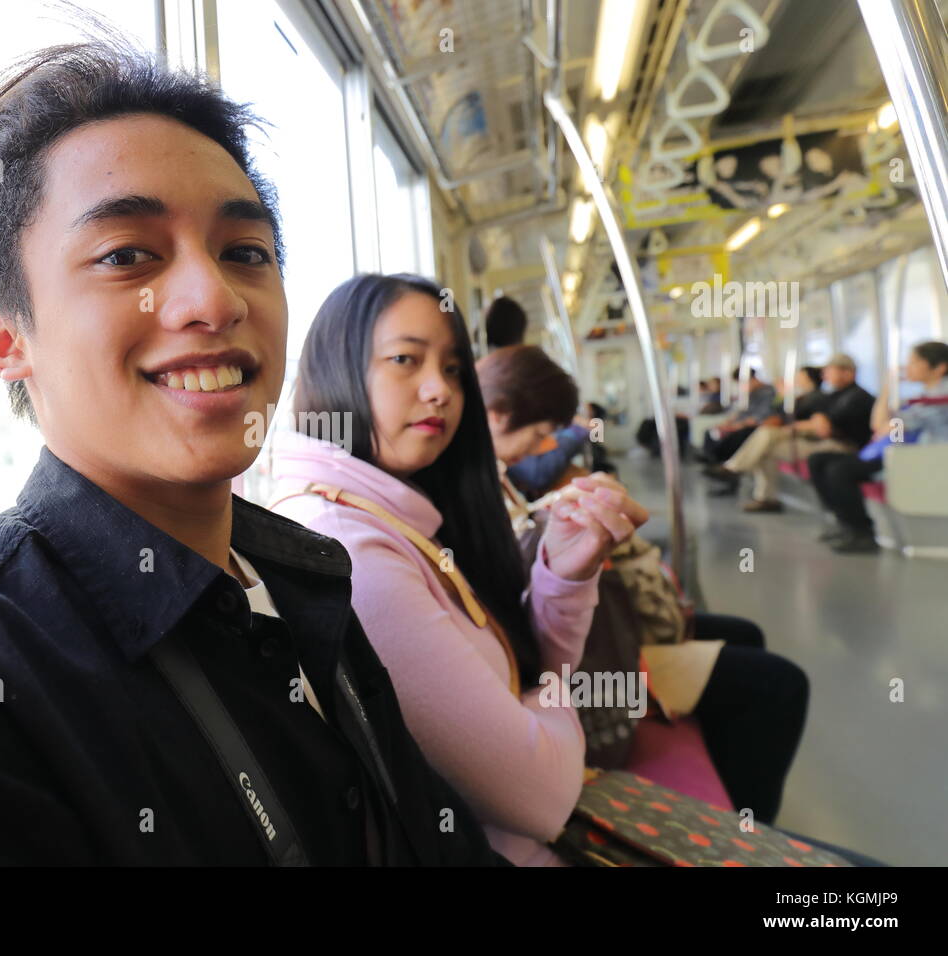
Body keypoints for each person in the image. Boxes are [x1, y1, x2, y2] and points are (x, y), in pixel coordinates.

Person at [0, 36, 504, 866]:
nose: (213, 298)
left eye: (244, 253)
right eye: (126, 256)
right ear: (5, 336)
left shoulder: (304, 578)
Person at [269, 275, 649, 865]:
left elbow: (527, 678)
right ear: (334, 370)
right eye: (405, 359)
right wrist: (543, 697)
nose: (439, 390)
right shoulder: (351, 548)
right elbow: (541, 794)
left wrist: (565, 575)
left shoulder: (401, 515)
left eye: (452, 369)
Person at [478, 345, 809, 827]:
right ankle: (745, 829)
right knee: (780, 684)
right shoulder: (480, 487)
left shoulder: (498, 475)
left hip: (591, 643)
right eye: (541, 433)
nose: (546, 446)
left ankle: (739, 801)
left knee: (743, 634)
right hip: (590, 667)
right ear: (497, 415)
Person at [811, 342, 948, 553]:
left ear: (939, 368)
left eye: (914, 362)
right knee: (819, 460)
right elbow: (881, 424)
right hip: (908, 452)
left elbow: (884, 426)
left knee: (840, 470)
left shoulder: (938, 399)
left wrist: (889, 421)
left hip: (924, 457)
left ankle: (862, 532)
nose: (907, 367)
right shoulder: (923, 397)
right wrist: (888, 389)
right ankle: (846, 524)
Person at [704, 365, 838, 511]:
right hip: (793, 434)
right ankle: (766, 498)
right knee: (764, 449)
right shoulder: (801, 397)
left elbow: (819, 426)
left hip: (810, 439)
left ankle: (734, 468)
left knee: (765, 433)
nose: (796, 379)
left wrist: (792, 424)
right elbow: (780, 414)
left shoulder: (817, 398)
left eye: (800, 375)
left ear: (808, 378)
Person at [697, 369, 777, 463]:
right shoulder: (752, 393)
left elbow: (759, 416)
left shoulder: (768, 392)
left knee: (736, 435)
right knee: (710, 430)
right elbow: (742, 412)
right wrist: (729, 422)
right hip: (742, 422)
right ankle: (711, 458)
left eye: (743, 383)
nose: (742, 386)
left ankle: (721, 462)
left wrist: (736, 426)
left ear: (753, 379)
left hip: (751, 426)